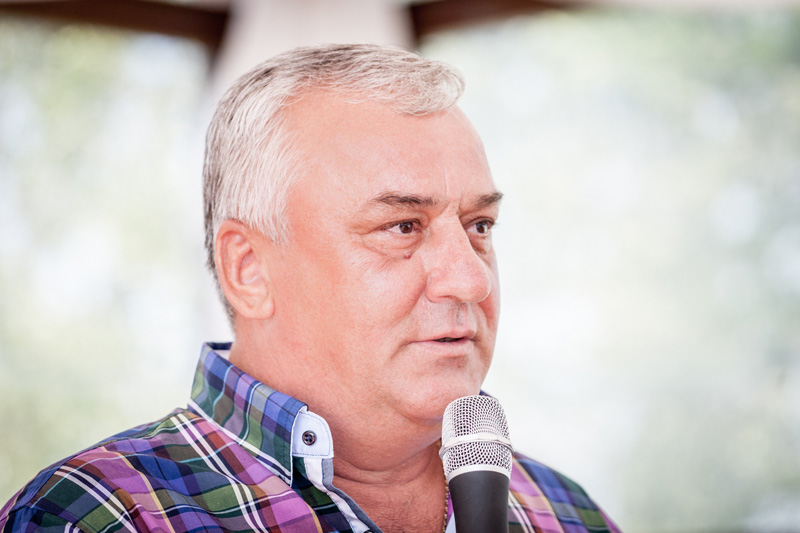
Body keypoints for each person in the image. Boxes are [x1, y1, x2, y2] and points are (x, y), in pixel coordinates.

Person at [0, 44, 619, 533]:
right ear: (249, 270)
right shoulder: (94, 517)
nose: (471, 278)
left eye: (479, 225)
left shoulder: (569, 514)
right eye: (402, 227)